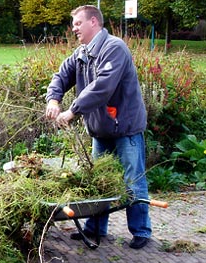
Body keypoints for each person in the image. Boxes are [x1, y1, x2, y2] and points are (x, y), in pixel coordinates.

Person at [45, 5, 151, 249]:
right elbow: (61, 75)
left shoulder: (115, 48)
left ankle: (141, 231)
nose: (74, 29)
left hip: (125, 128)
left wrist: (72, 111)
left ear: (94, 22)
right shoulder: (82, 52)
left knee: (132, 180)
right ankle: (95, 228)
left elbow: (102, 87)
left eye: (78, 23)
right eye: (73, 25)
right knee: (99, 182)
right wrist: (53, 99)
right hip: (101, 130)